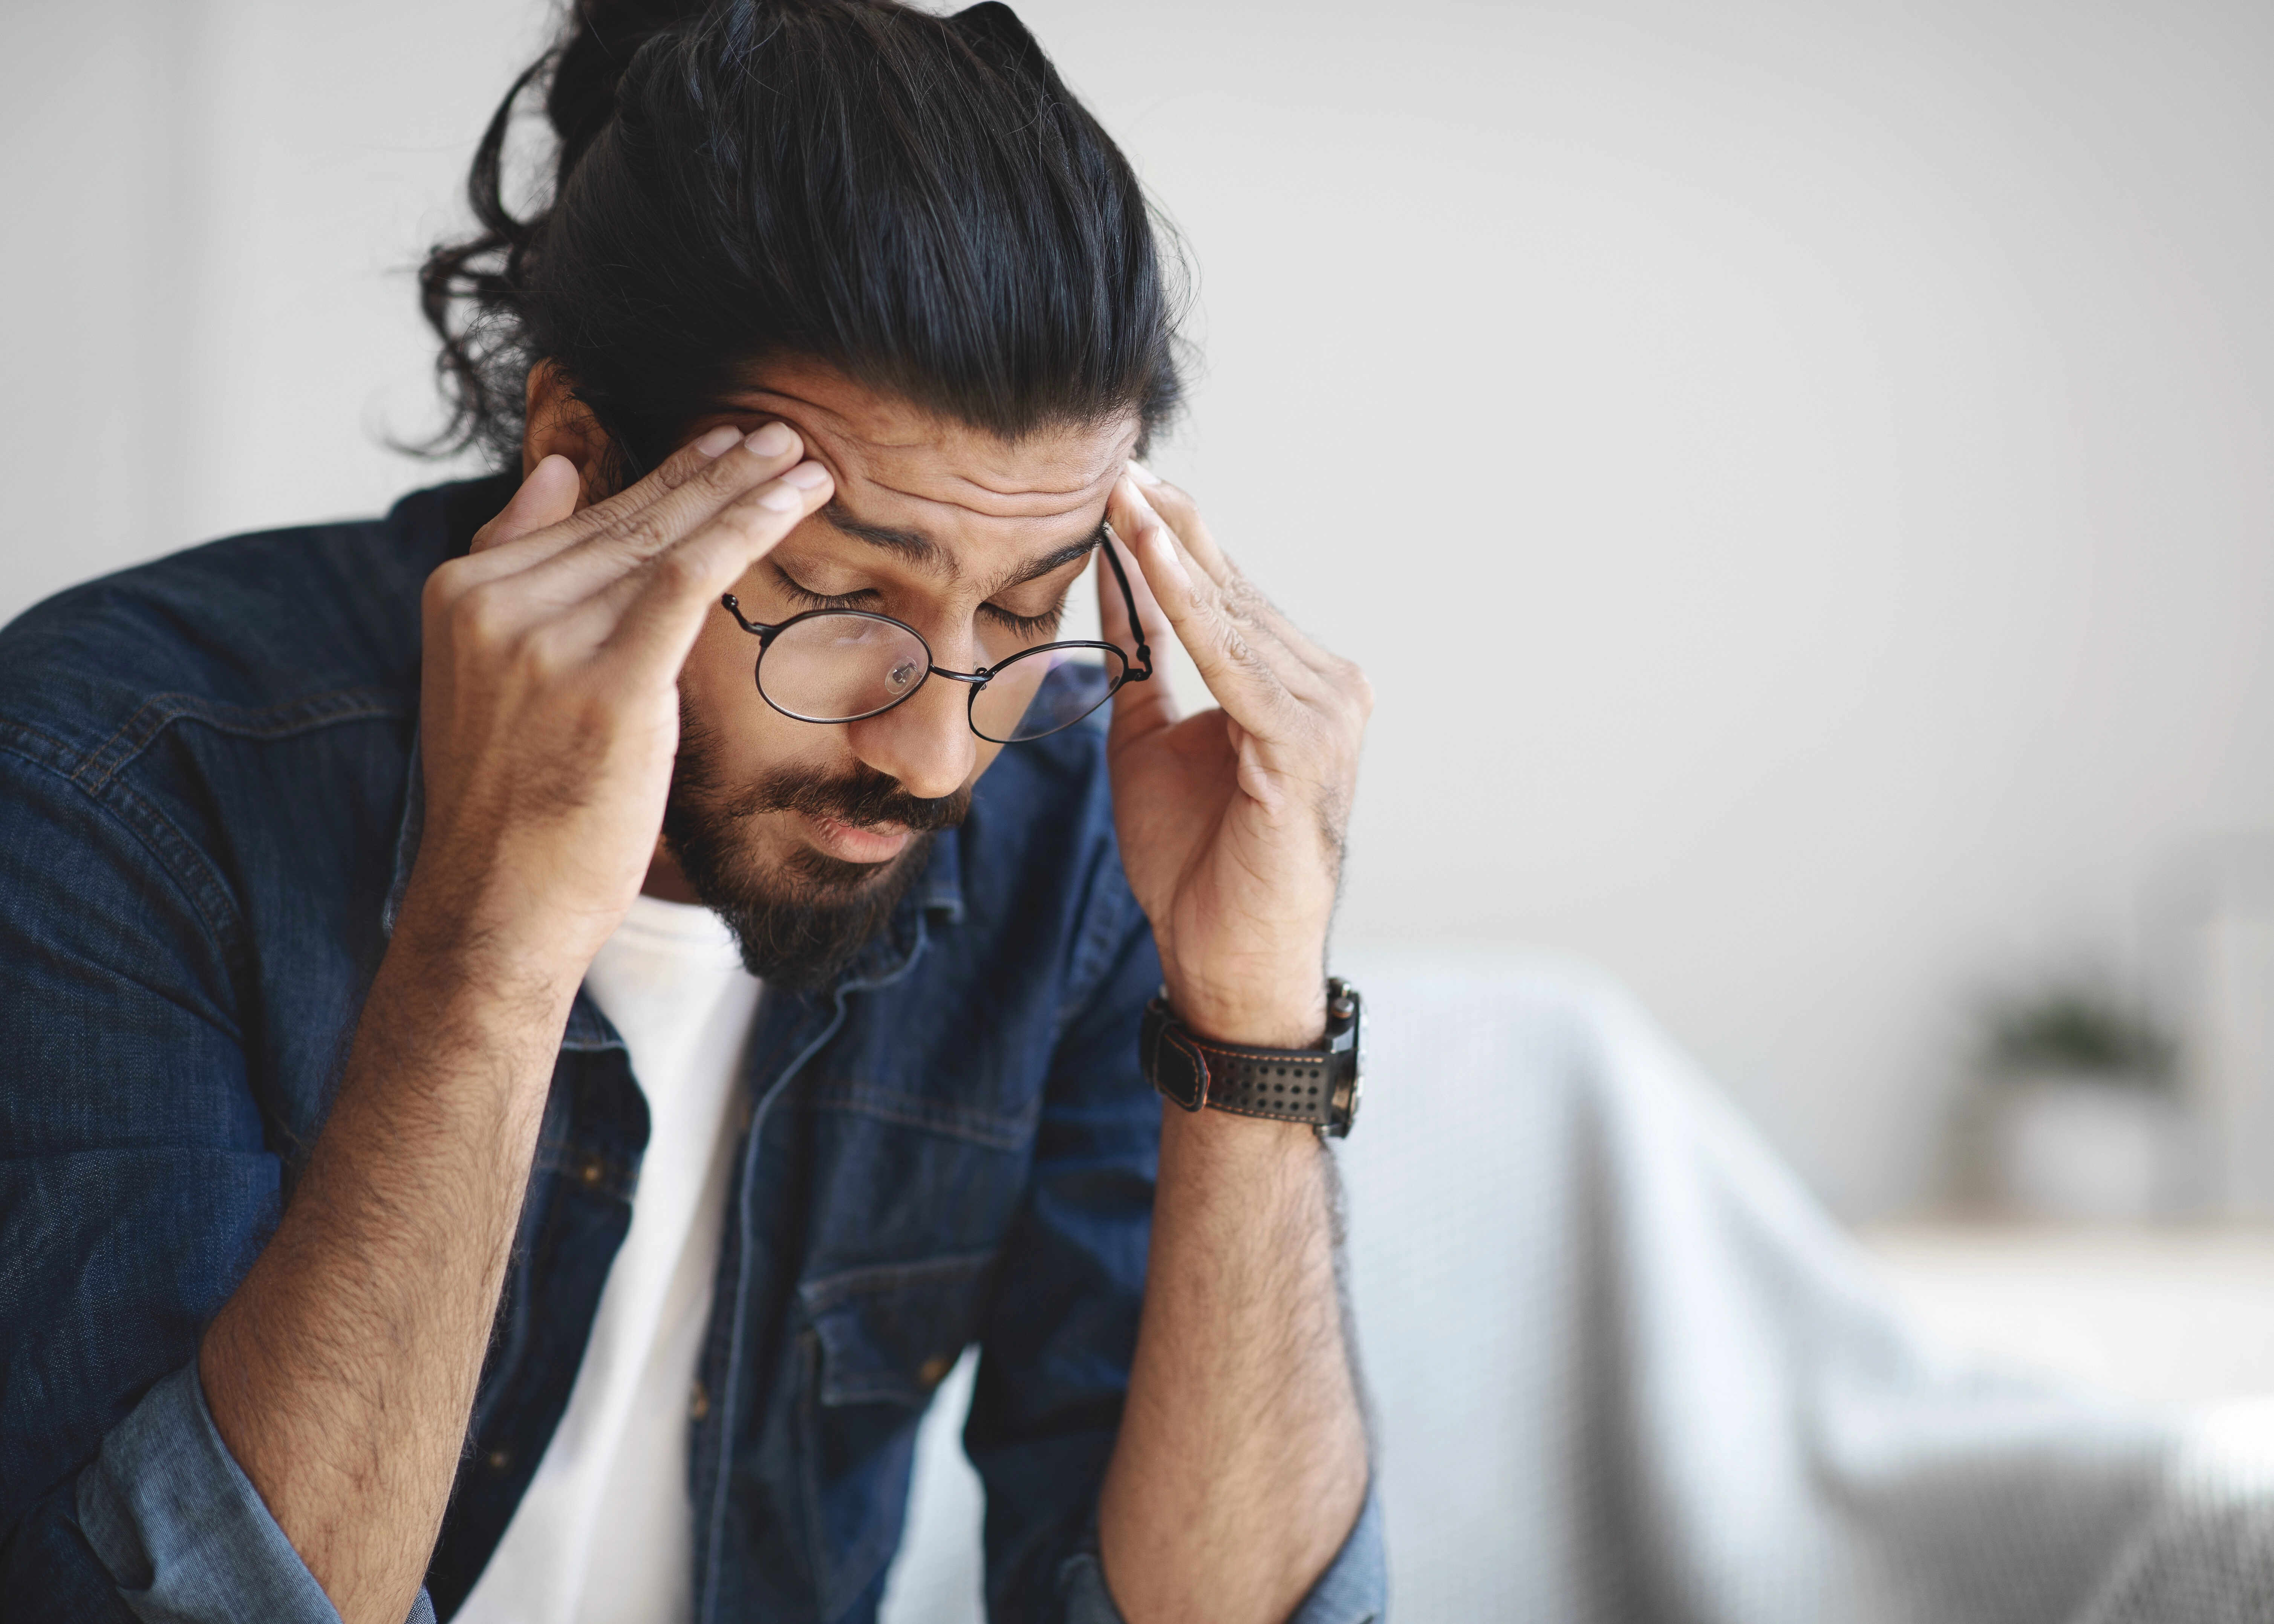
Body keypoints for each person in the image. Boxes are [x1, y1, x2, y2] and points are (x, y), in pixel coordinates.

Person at [0, 3, 1382, 1621]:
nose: (939, 752)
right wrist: (497, 936)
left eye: (1027, 605)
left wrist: (1253, 1026)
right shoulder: (116, 779)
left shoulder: (1073, 845)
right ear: (580, 456)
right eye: (840, 596)